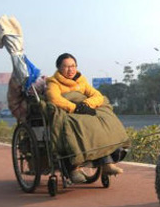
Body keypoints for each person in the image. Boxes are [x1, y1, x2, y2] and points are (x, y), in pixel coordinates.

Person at [46, 53, 126, 181]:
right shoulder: (53, 83)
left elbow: (98, 96)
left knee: (103, 120)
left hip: (84, 109)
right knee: (76, 126)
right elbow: (54, 99)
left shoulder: (81, 81)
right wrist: (75, 108)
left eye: (73, 66)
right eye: (66, 66)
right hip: (68, 111)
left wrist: (86, 104)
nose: (70, 69)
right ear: (59, 68)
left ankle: (107, 162)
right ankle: (74, 168)